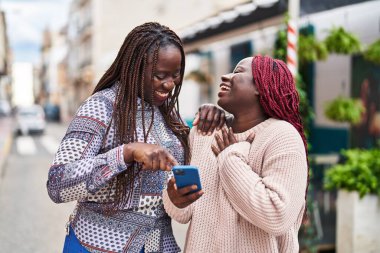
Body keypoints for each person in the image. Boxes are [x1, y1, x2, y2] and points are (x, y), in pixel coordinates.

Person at [46, 22, 225, 253]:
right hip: (94, 245)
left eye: (176, 75)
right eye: (160, 75)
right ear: (134, 68)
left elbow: (189, 173)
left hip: (159, 245)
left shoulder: (169, 115)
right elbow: (58, 183)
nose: (170, 84)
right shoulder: (101, 107)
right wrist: (126, 153)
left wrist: (212, 116)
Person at [164, 55, 309, 252]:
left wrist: (231, 156)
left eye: (238, 72)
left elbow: (277, 216)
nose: (225, 76)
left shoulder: (282, 136)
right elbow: (182, 213)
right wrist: (174, 197)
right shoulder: (205, 131)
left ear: (261, 85)